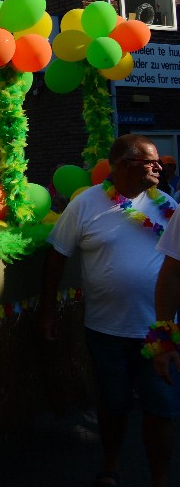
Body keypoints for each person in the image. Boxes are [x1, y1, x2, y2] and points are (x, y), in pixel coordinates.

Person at [40, 134, 178, 487]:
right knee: (113, 404)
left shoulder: (168, 206)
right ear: (121, 166)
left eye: (157, 161)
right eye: (148, 161)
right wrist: (48, 310)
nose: (157, 167)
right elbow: (57, 256)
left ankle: (160, 479)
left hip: (157, 329)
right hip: (106, 330)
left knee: (160, 407)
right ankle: (111, 467)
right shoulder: (85, 204)